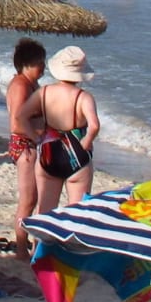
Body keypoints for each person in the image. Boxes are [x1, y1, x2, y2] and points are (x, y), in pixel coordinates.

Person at [29, 46, 99, 212]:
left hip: (49, 152)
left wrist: (35, 136)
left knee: (45, 210)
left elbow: (21, 116)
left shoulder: (44, 92)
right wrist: (87, 141)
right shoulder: (84, 97)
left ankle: (43, 230)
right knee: (77, 213)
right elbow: (95, 125)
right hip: (77, 154)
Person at [7, 39, 48, 254]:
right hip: (25, 147)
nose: (43, 66)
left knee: (36, 199)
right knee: (28, 201)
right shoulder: (21, 85)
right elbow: (17, 123)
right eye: (39, 63)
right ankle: (22, 250)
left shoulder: (30, 83)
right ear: (27, 64)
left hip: (30, 145)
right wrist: (38, 136)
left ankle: (32, 247)